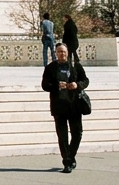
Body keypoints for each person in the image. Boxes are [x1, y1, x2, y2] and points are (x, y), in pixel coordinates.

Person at [41, 43, 90, 173]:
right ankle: (67, 162)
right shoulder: (51, 68)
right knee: (62, 137)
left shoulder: (75, 66)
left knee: (77, 133)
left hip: (74, 105)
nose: (62, 54)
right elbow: (45, 85)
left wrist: (77, 85)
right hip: (59, 106)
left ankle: (71, 156)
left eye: (63, 51)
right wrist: (57, 85)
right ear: (55, 53)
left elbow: (85, 81)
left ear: (67, 53)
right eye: (59, 52)